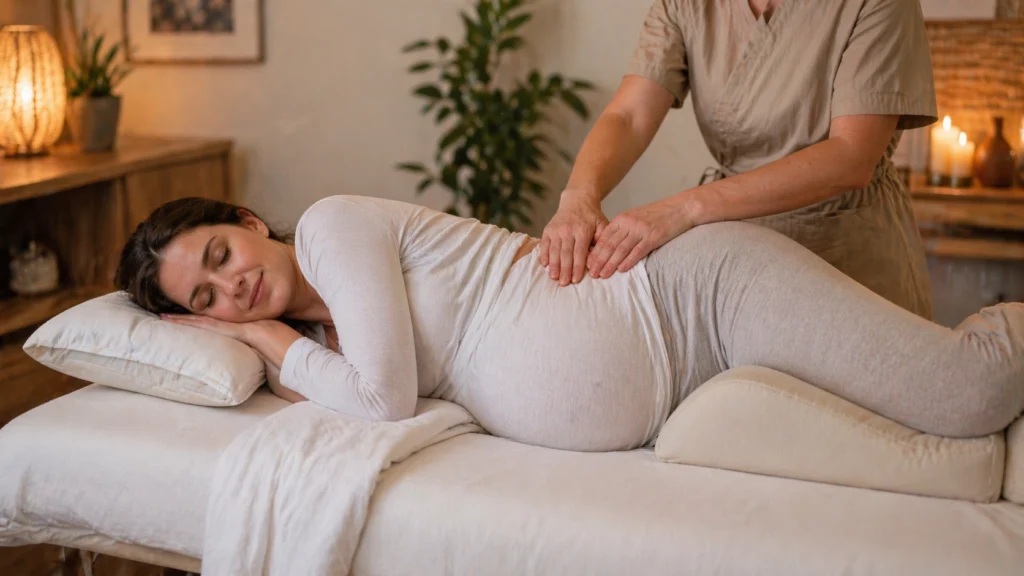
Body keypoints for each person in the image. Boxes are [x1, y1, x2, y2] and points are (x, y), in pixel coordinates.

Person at [115, 195, 1024, 452]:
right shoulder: (325, 343)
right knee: (928, 452)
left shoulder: (329, 227)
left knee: (966, 392)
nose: (228, 293)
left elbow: (387, 399)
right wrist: (290, 349)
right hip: (682, 395)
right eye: (202, 300)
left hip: (695, 297)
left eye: (220, 258)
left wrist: (268, 344)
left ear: (246, 224)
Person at [540, 0, 937, 321]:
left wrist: (685, 208)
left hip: (847, 255)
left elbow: (850, 156)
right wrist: (578, 197)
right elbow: (627, 117)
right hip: (737, 256)